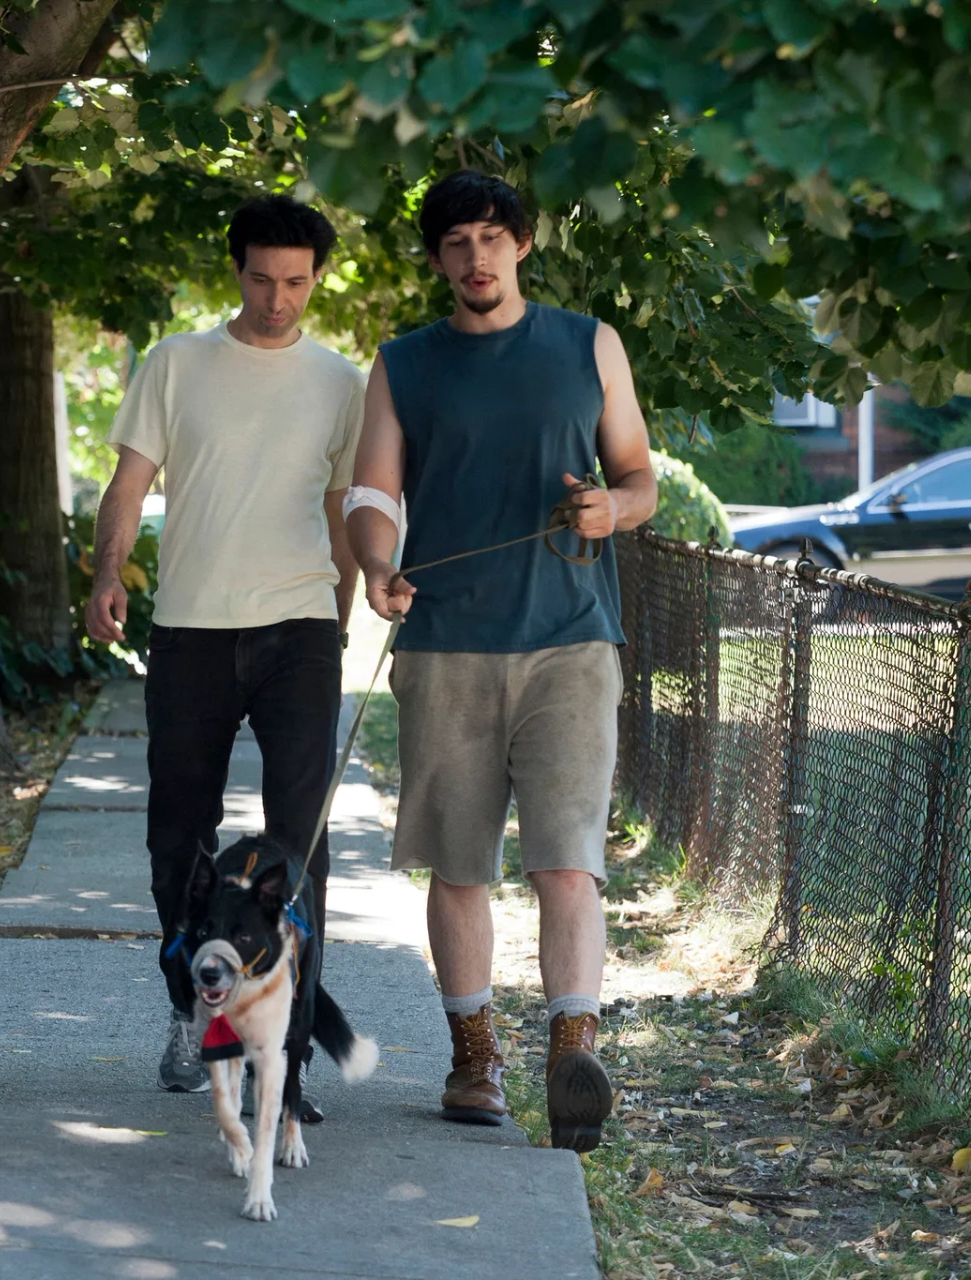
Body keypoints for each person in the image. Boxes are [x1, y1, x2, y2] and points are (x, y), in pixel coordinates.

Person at [344, 170, 655, 1150]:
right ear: (436, 259)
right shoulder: (404, 363)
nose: (475, 257)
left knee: (568, 861)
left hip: (572, 638)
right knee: (462, 866)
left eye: (491, 236)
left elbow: (636, 473)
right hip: (445, 644)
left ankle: (574, 1054)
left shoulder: (588, 343)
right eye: (455, 243)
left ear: (521, 243)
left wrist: (615, 507)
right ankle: (474, 1056)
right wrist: (375, 561)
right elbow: (372, 491)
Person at [85, 195, 366, 1113]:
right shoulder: (177, 364)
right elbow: (131, 481)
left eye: (295, 282)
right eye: (260, 278)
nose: (277, 298)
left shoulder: (340, 382)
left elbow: (340, 506)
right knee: (180, 838)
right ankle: (189, 1019)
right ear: (234, 271)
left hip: (299, 633)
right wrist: (106, 574)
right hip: (192, 629)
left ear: (315, 278)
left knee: (301, 846)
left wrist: (343, 608)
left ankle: (287, 1059)